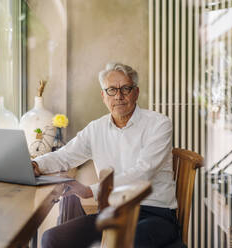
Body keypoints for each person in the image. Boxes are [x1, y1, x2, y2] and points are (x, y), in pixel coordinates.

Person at [32, 63, 181, 248]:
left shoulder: (159, 124)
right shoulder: (96, 128)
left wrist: (91, 191)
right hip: (111, 214)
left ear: (136, 92)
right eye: (111, 90)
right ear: (103, 96)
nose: (118, 96)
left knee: (119, 244)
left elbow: (143, 173)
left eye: (125, 89)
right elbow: (65, 155)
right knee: (52, 239)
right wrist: (35, 165)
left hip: (155, 214)